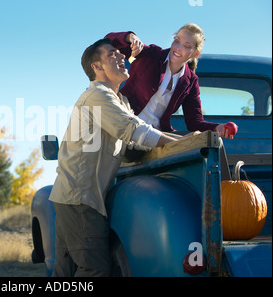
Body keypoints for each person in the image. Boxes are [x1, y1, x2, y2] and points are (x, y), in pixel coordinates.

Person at [49, 38, 187, 277]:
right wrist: (187, 144)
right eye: (112, 54)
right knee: (95, 270)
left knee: (67, 270)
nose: (122, 57)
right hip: (80, 197)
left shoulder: (120, 101)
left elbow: (137, 134)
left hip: (73, 195)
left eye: (121, 54)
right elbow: (136, 131)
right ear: (97, 67)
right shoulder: (97, 96)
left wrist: (183, 138)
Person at [104, 23, 237, 138]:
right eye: (176, 41)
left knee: (195, 143)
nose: (178, 48)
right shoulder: (152, 54)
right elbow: (108, 42)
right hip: (124, 125)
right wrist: (130, 37)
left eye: (186, 46)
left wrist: (217, 128)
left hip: (154, 136)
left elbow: (194, 122)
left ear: (194, 54)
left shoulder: (190, 82)